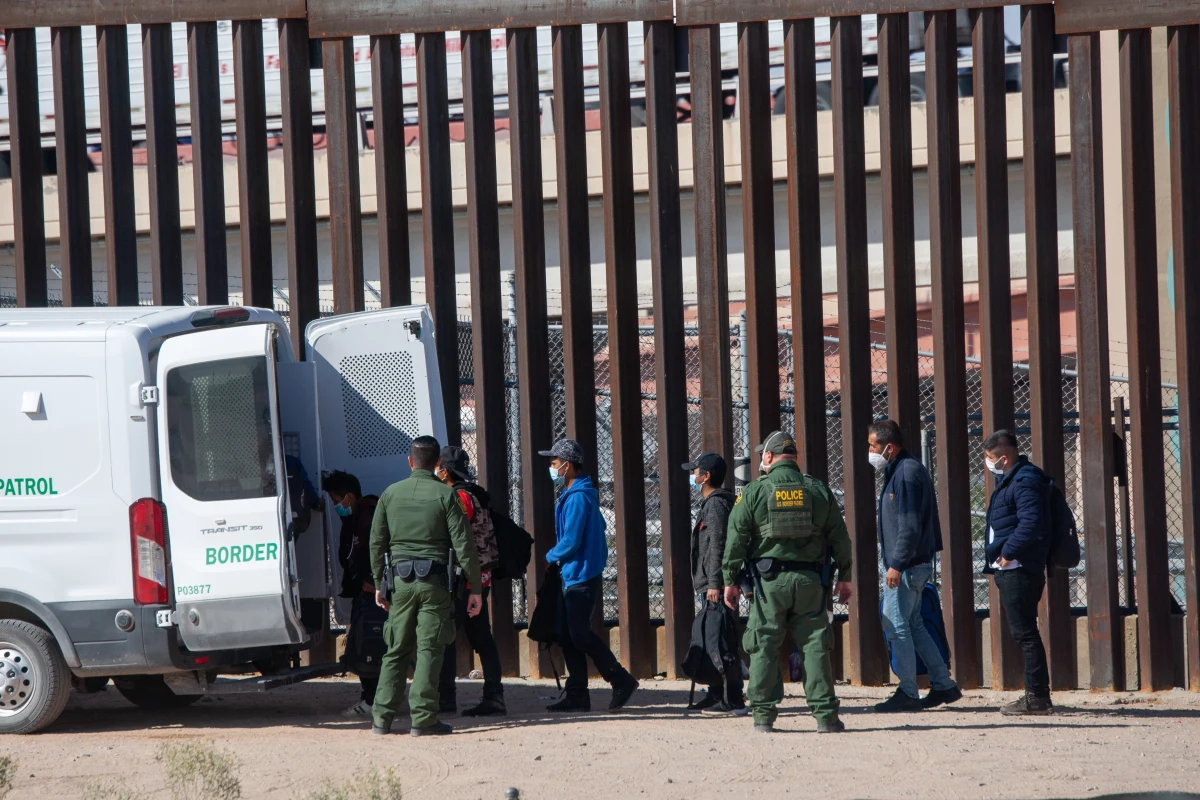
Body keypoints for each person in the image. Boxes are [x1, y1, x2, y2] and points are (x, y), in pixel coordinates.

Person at [722, 430, 853, 734]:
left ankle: (763, 717)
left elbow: (736, 539)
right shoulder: (818, 490)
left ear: (769, 457)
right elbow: (840, 539)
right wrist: (845, 577)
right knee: (815, 645)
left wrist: (730, 579)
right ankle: (826, 717)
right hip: (811, 583)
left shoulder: (754, 491)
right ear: (793, 458)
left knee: (764, 644)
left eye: (762, 456)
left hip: (768, 585)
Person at [369, 435, 482, 736]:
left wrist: (381, 582)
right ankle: (423, 718)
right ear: (437, 464)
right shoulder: (447, 497)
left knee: (396, 648)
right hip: (434, 584)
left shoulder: (390, 495)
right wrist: (475, 588)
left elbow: (377, 542)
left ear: (410, 462)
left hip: (400, 583)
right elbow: (464, 545)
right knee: (429, 648)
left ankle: (381, 718)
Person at [538, 439, 640, 712]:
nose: (551, 466)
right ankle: (577, 695)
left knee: (579, 634)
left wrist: (549, 557)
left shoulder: (578, 498)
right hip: (577, 572)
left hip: (579, 574)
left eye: (554, 462)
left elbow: (571, 540)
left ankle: (620, 679)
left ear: (567, 465)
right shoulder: (578, 495)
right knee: (570, 636)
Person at [867, 420, 962, 713]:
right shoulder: (901, 469)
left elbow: (908, 527)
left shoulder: (906, 474)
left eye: (873, 445)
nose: (869, 451)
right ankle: (943, 685)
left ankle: (908, 691)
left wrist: (895, 565)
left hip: (906, 567)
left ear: (889, 447)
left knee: (896, 625)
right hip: (914, 565)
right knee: (915, 624)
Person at [983, 429, 1054, 716]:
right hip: (1013, 568)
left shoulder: (1023, 481)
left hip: (1019, 568)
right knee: (1024, 632)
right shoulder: (1012, 479)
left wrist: (1007, 553)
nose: (987, 463)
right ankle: (1036, 695)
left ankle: (1036, 697)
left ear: (1003, 457)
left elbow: (1030, 523)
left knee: (1025, 633)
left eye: (989, 458)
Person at [435, 445, 507, 717]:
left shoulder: (459, 497)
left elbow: (455, 538)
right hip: (478, 578)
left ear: (445, 470)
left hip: (464, 580)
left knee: (447, 638)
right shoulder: (475, 493)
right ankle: (494, 696)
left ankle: (446, 699)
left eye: (439, 468)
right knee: (480, 637)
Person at [682, 452, 745, 716]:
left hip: (715, 585)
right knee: (712, 639)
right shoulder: (712, 503)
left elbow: (719, 544)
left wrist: (715, 583)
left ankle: (733, 700)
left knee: (722, 640)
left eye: (695, 471)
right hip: (710, 583)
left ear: (706, 476)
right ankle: (716, 694)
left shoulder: (717, 504)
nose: (692, 476)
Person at [323, 470, 381, 718]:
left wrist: (372, 581)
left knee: (368, 645)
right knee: (364, 644)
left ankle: (372, 700)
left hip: (372, 594)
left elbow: (378, 550)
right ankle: (372, 697)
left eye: (337, 500)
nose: (336, 506)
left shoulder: (368, 516)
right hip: (364, 592)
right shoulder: (356, 518)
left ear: (349, 496)